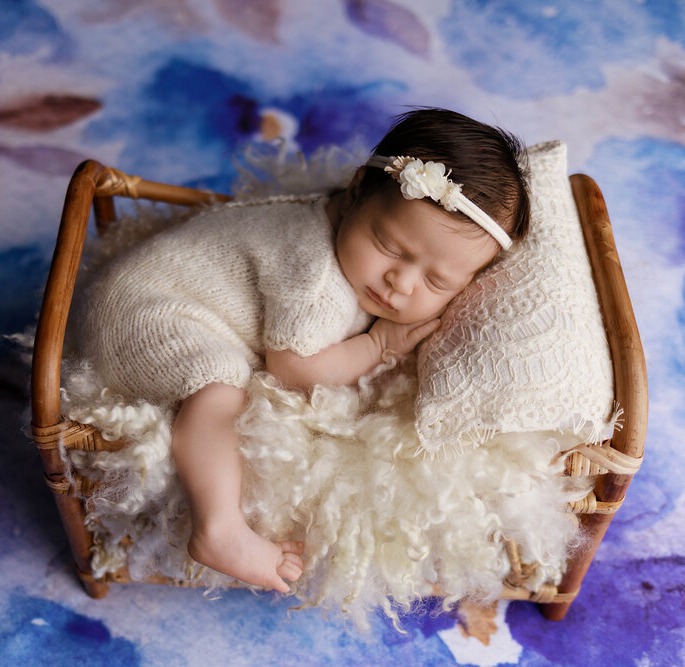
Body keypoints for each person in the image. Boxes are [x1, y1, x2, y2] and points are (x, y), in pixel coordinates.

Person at [74, 108, 531, 594]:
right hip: (142, 316)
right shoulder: (315, 281)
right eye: (389, 246)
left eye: (436, 280)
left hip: (152, 290)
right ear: (357, 190)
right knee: (218, 389)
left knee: (222, 375)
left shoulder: (347, 226)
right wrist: (376, 344)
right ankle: (220, 530)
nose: (400, 282)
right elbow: (294, 370)